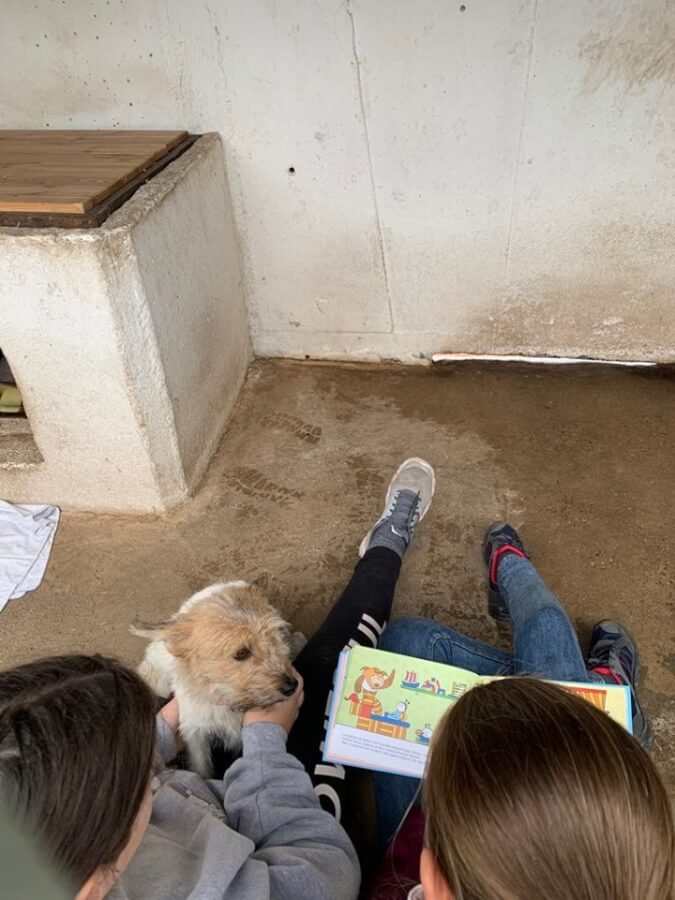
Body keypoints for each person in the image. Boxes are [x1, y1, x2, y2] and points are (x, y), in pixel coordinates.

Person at [0, 457, 436, 900]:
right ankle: (386, 546)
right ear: (92, 885)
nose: (142, 760)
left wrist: (162, 730)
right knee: (338, 662)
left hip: (207, 793)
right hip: (282, 838)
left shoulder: (49, 850)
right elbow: (329, 875)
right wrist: (265, 741)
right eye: (128, 772)